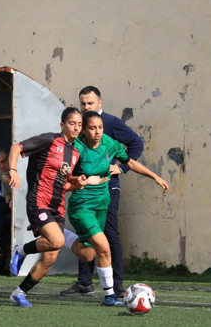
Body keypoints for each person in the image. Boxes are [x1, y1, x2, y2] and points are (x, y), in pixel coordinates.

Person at [64, 110, 169, 307]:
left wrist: (155, 177)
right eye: (92, 128)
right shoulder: (76, 148)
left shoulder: (109, 144)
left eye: (100, 127)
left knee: (88, 254)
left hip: (102, 204)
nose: (97, 132)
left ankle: (60, 235)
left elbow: (130, 162)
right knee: (104, 248)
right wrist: (84, 182)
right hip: (82, 206)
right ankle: (110, 296)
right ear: (84, 130)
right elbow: (61, 178)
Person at [6, 107, 95, 308]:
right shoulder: (49, 140)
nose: (76, 127)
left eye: (79, 124)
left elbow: (62, 182)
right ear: (62, 124)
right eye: (72, 123)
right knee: (57, 240)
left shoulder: (75, 152)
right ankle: (21, 250)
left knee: (51, 256)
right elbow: (16, 148)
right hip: (39, 201)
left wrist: (78, 181)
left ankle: (19, 293)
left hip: (57, 206)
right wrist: (13, 170)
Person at [60, 86, 144, 297]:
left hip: (108, 186)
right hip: (85, 189)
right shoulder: (80, 126)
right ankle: (85, 283)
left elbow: (136, 143)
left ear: (100, 103)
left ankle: (116, 287)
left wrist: (121, 167)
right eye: (83, 103)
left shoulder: (111, 123)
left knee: (109, 235)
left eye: (90, 103)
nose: (87, 106)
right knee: (87, 234)